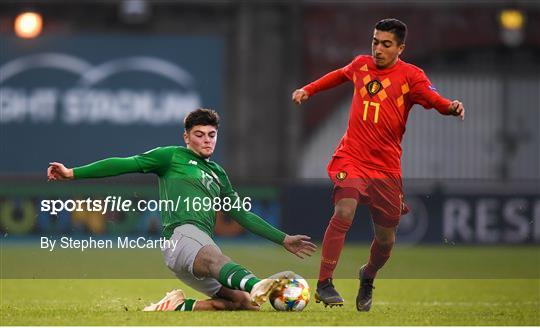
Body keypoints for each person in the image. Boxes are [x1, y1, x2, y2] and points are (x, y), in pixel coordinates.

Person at [47, 108, 316, 311]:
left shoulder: (218, 173)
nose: (207, 140)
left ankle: (176, 306)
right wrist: (72, 173)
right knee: (217, 259)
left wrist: (283, 238)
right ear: (186, 137)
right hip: (182, 236)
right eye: (199, 135)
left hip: (191, 254)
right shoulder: (171, 156)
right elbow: (123, 163)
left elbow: (241, 213)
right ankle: (256, 283)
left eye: (212, 135)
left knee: (241, 303)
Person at [292, 18, 464, 311]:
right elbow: (338, 75)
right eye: (375, 41)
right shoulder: (360, 65)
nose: (378, 49)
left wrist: (450, 106)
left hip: (386, 169)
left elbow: (432, 97)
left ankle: (368, 275)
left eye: (386, 44)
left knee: (385, 241)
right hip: (352, 156)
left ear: (400, 48)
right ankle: (324, 283)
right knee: (344, 210)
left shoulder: (411, 76)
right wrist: (309, 89)